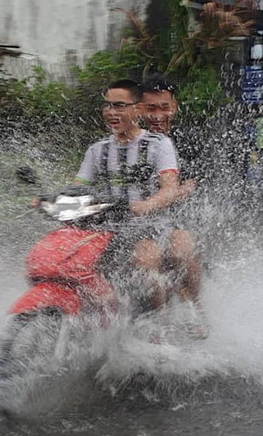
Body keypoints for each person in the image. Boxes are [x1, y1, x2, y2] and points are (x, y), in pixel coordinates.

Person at [75, 79, 183, 307]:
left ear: (138, 109)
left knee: (146, 260)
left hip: (150, 227)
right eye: (107, 106)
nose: (111, 112)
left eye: (120, 106)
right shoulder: (96, 150)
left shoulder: (159, 143)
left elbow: (169, 188)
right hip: (105, 228)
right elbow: (78, 188)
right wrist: (49, 200)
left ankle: (157, 321)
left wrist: (146, 205)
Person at [137, 75, 203, 308]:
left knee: (180, 252)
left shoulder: (191, 140)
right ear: (138, 109)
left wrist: (167, 196)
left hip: (182, 218)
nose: (157, 116)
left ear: (174, 107)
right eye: (150, 108)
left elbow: (194, 183)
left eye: (164, 107)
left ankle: (195, 308)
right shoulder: (131, 143)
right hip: (136, 220)